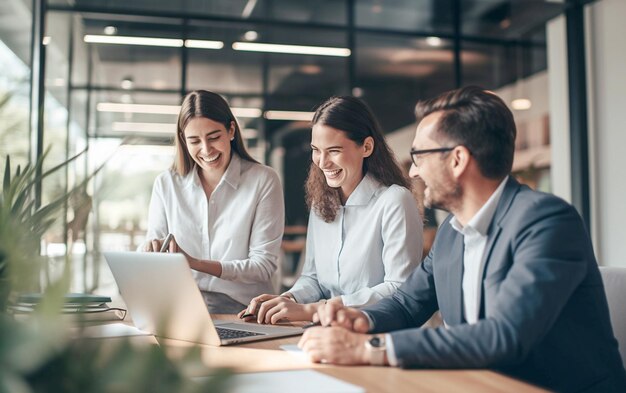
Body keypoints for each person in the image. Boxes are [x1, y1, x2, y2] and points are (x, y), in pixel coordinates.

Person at [298, 86, 626, 393]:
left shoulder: (546, 221)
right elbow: (406, 303)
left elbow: (505, 334)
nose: (413, 172)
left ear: (457, 159)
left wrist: (369, 348)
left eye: (420, 156)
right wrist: (361, 318)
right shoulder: (453, 233)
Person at [240, 96, 423, 324]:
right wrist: (288, 299)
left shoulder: (394, 201)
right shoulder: (321, 204)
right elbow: (313, 278)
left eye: (334, 151)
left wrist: (318, 309)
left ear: (366, 147)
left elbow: (399, 287)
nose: (322, 162)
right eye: (317, 150)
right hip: (325, 329)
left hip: (374, 331)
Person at [142, 90, 284, 314]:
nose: (206, 150)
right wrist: (150, 250)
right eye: (195, 141)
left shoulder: (263, 180)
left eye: (214, 137)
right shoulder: (166, 184)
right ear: (183, 140)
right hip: (183, 304)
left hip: (243, 309)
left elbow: (262, 266)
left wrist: (195, 263)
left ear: (231, 130)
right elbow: (153, 245)